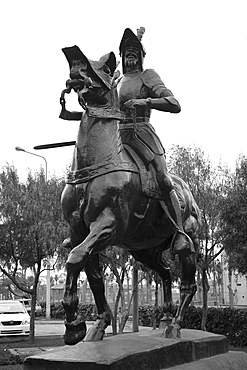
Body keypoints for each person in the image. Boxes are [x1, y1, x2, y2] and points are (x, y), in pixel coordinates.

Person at [117, 27, 192, 254]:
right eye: (126, 51)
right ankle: (81, 227)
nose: (130, 54)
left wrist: (145, 102)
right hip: (116, 136)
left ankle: (179, 232)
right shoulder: (115, 80)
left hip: (142, 134)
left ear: (140, 55)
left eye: (134, 50)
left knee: (162, 178)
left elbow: (174, 103)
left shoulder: (148, 75)